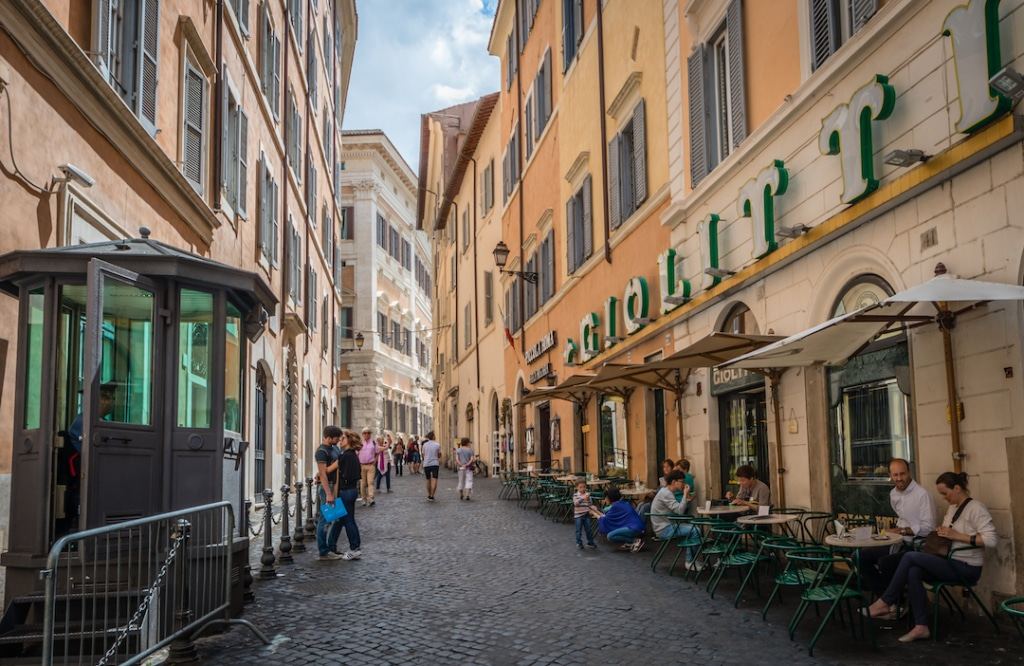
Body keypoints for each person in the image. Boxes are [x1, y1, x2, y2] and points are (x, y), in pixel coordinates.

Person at [864, 471, 997, 642]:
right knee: (914, 570)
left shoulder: (976, 508)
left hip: (967, 567)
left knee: (910, 557)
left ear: (957, 488)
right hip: (949, 561)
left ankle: (885, 602)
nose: (944, 498)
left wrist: (956, 535)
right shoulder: (952, 508)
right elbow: (948, 535)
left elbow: (991, 540)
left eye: (945, 493)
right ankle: (921, 627)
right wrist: (941, 532)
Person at [859, 458, 936, 595]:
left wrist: (902, 531)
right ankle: (886, 599)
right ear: (890, 475)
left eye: (903, 474)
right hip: (897, 542)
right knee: (859, 556)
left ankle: (892, 601)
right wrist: (891, 532)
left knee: (885, 563)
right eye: (895, 475)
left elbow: (929, 528)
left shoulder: (922, 494)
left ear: (909, 473)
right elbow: (902, 518)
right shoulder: (893, 494)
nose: (899, 478)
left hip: (916, 546)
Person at [651, 470, 700, 569]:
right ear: (674, 482)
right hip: (664, 529)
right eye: (681, 481)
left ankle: (692, 560)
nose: (683, 484)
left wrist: (686, 499)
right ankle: (690, 561)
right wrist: (685, 495)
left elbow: (677, 509)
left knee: (693, 528)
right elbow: (680, 511)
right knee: (695, 530)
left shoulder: (666, 492)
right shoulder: (666, 493)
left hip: (665, 525)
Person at [330, 431, 363, 559]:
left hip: (346, 492)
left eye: (343, 438)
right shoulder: (352, 455)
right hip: (351, 491)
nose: (340, 440)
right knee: (340, 520)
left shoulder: (346, 456)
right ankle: (330, 546)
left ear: (349, 441)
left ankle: (355, 548)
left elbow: (343, 476)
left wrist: (334, 494)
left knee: (348, 520)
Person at [314, 426, 345, 561]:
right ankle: (323, 552)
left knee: (338, 519)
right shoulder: (321, 451)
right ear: (329, 437)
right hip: (328, 488)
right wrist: (328, 494)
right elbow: (322, 473)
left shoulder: (335, 449)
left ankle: (331, 547)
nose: (339, 440)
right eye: (337, 437)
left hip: (336, 487)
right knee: (325, 520)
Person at [596, 487, 645, 552]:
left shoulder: (615, 506)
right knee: (612, 533)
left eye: (605, 498)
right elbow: (605, 514)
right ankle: (630, 543)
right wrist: (595, 511)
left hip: (633, 528)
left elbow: (605, 519)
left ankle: (635, 541)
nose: (605, 500)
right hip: (637, 527)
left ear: (609, 498)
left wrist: (594, 513)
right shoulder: (622, 503)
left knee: (610, 536)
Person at [573, 480, 598, 549]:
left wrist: (593, 507)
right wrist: (583, 498)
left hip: (586, 514)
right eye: (580, 487)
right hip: (578, 516)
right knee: (578, 530)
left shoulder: (588, 495)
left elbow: (589, 504)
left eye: (584, 487)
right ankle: (579, 543)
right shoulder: (575, 495)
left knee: (589, 529)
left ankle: (590, 542)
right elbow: (576, 504)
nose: (582, 489)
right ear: (577, 488)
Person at [357, 427, 378, 506]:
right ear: (362, 434)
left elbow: (377, 452)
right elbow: (356, 454)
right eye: (365, 433)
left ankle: (371, 498)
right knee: (363, 483)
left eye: (368, 433)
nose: (367, 434)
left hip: (370, 465)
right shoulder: (360, 443)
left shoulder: (373, 442)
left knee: (370, 482)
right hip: (362, 465)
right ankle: (363, 498)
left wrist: (375, 461)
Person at [421, 431, 442, 501]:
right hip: (435, 463)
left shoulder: (424, 445)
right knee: (434, 479)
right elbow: (439, 455)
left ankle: (429, 494)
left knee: (428, 479)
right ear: (433, 436)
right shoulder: (437, 445)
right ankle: (432, 496)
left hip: (426, 464)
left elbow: (423, 455)